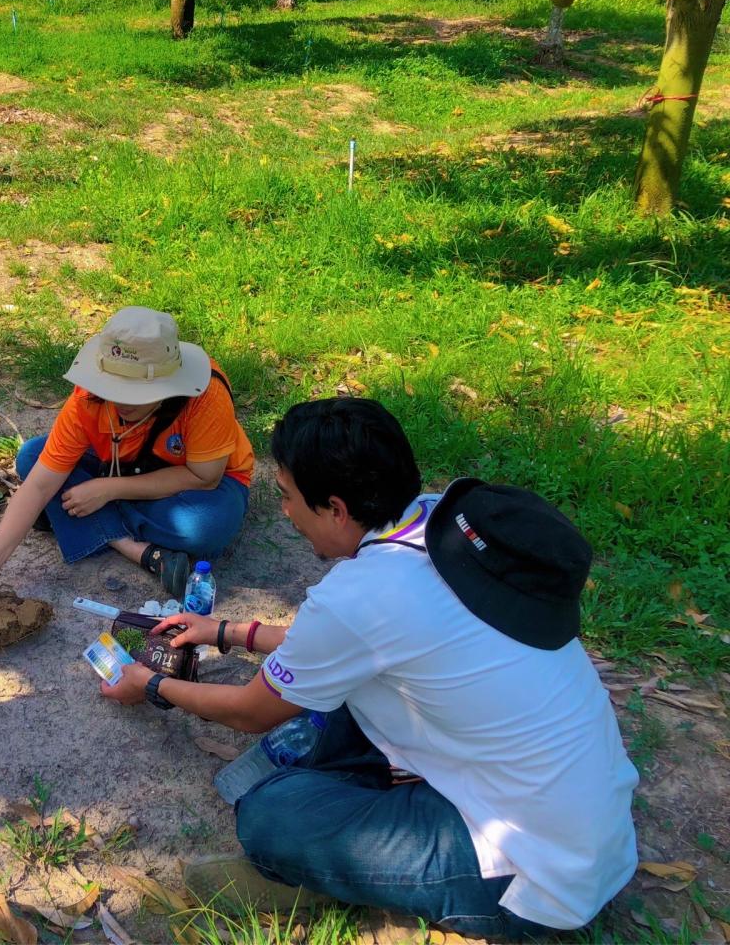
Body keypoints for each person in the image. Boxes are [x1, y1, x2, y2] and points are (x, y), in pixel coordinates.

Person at [100, 397, 638, 939]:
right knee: (334, 702)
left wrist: (153, 685)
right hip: (585, 823)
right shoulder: (434, 520)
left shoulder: (360, 596)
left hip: (534, 878)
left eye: (288, 498)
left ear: (335, 508)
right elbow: (353, 642)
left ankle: (339, 866)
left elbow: (248, 711)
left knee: (271, 815)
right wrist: (227, 631)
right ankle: (368, 812)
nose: (285, 514)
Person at [0, 306, 255, 605]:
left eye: (135, 393)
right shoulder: (87, 398)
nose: (120, 402)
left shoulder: (206, 395)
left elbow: (204, 477)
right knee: (32, 457)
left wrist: (107, 490)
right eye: (113, 387)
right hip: (122, 465)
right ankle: (135, 549)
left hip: (198, 482)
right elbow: (38, 485)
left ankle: (75, 519)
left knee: (207, 526)